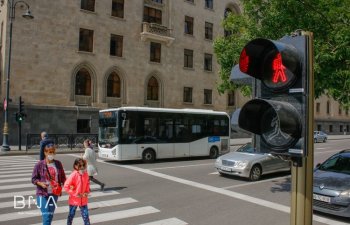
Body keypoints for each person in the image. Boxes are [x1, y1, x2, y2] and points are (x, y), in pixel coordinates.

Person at [32, 143, 66, 225]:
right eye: (50, 152)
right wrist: (40, 183)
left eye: (53, 152)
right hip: (42, 194)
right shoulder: (39, 165)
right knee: (47, 217)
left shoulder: (58, 163)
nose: (52, 154)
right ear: (45, 152)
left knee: (49, 217)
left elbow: (63, 177)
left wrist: (70, 186)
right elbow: (33, 179)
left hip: (54, 194)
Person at [64, 158, 91, 225]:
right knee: (71, 215)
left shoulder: (86, 174)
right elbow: (66, 186)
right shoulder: (73, 175)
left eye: (83, 165)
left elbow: (87, 184)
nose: (82, 167)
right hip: (74, 200)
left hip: (83, 200)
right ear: (76, 166)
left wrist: (87, 192)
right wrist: (75, 194)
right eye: (80, 166)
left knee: (86, 217)